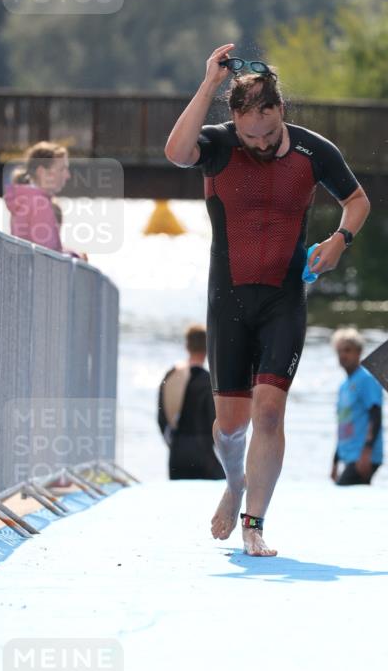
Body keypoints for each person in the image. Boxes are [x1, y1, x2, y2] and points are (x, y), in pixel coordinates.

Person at [164, 44, 370, 555]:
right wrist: (209, 83)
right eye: (248, 134)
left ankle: (255, 523)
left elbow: (357, 200)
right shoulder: (216, 145)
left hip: (283, 299)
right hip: (227, 300)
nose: (258, 143)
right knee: (230, 425)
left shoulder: (311, 150)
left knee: (270, 413)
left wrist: (340, 239)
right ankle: (234, 485)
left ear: (281, 111)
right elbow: (174, 152)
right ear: (234, 120)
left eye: (268, 132)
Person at [158, 324, 224, 481]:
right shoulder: (209, 381)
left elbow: (162, 418)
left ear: (187, 346)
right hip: (203, 453)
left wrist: (174, 445)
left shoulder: (171, 375)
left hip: (177, 454)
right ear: (207, 348)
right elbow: (215, 421)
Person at [3, 142, 86, 259]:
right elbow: (48, 258)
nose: (67, 175)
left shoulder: (24, 199)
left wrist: (71, 254)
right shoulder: (40, 204)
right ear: (42, 172)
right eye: (62, 169)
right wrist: (76, 257)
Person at [331, 328, 383, 486]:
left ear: (359, 352)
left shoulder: (366, 379)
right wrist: (335, 461)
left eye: (347, 350)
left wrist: (367, 451)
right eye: (339, 351)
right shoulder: (344, 386)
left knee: (343, 489)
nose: (342, 355)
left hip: (363, 455)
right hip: (348, 455)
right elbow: (342, 422)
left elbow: (376, 414)